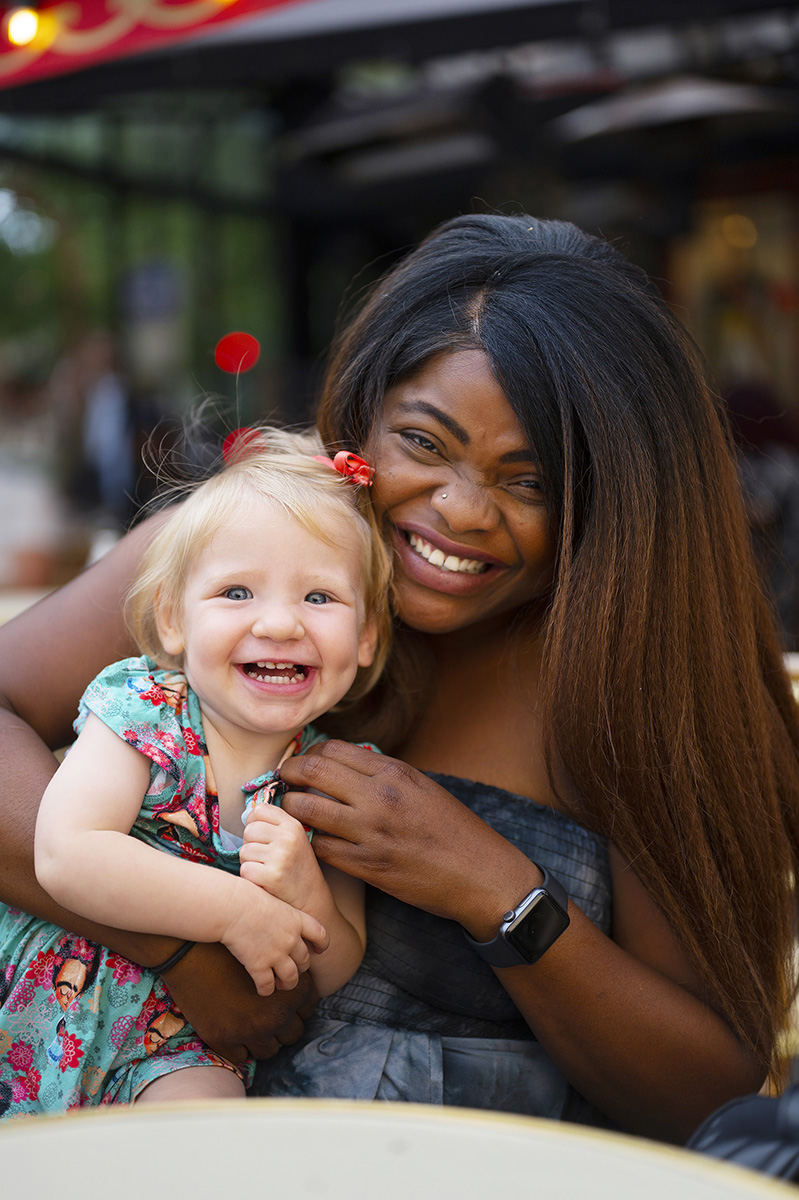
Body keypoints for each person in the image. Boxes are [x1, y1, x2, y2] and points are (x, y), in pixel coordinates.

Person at [0, 214, 798, 1144]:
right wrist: (182, 949)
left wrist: (494, 891)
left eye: (528, 482)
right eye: (423, 443)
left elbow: (707, 1094)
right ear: (363, 417)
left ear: (606, 498)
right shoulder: (233, 559)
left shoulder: (636, 682)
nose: (460, 510)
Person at [0, 426, 391, 1115]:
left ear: (365, 637)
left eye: (319, 597)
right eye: (237, 592)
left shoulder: (335, 781)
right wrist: (237, 910)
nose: (279, 624)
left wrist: (309, 897)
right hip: (35, 1001)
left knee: (207, 1136)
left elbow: (337, 969)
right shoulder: (145, 711)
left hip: (179, 1047)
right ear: (172, 619)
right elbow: (66, 853)